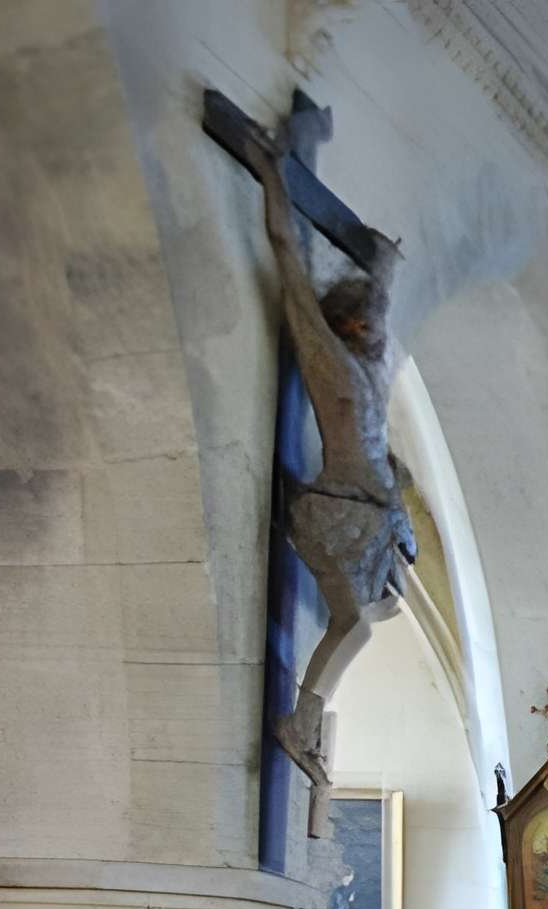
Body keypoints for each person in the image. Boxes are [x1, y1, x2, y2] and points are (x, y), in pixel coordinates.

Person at [239, 120, 415, 837]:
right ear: (341, 324)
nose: (374, 331)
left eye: (377, 322)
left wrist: (386, 269)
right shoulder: (329, 362)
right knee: (353, 625)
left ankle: (302, 720)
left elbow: (384, 301)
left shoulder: (371, 370)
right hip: (339, 513)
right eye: (364, 320)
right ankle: (298, 721)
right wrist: (275, 176)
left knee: (363, 624)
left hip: (372, 517)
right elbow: (287, 258)